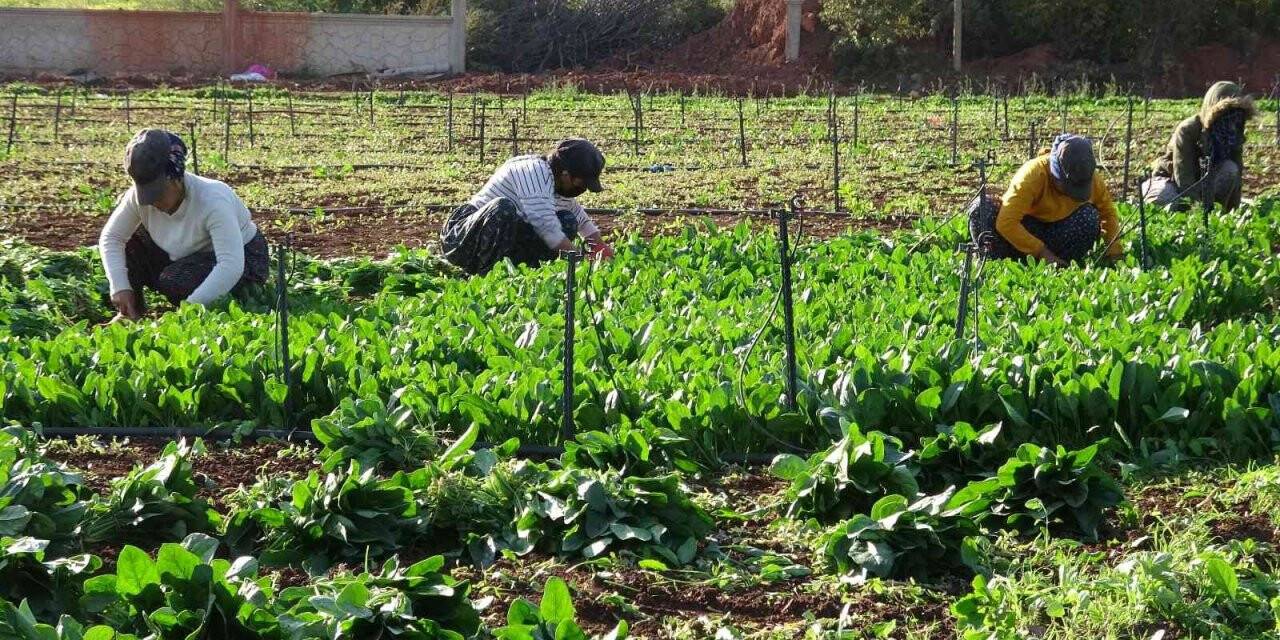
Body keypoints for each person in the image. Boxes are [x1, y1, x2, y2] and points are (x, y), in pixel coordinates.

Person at [99, 129, 268, 321]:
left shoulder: (213, 199)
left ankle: (219, 304)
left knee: (176, 280)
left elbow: (230, 265)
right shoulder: (137, 200)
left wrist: (186, 313)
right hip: (182, 256)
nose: (152, 202)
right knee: (132, 242)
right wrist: (120, 286)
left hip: (242, 259)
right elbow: (112, 238)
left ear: (176, 177)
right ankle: (131, 313)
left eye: (158, 193)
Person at [441, 138, 615, 275]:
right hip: (463, 238)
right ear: (565, 174)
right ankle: (482, 274)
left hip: (504, 238)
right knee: (503, 208)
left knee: (567, 221)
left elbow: (579, 217)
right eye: (581, 182)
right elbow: (547, 227)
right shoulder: (533, 172)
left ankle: (529, 271)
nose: (582, 189)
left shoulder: (558, 183)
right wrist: (581, 260)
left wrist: (600, 247)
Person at [967, 134, 1122, 265]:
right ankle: (999, 264)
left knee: (1089, 217)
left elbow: (1108, 215)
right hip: (1021, 233)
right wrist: (1041, 253)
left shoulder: (1090, 177)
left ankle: (1063, 264)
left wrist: (1114, 252)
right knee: (981, 208)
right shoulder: (1033, 174)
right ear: (1056, 173)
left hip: (1058, 235)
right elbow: (1006, 223)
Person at [1143, 81, 1257, 212]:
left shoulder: (1233, 133)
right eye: (1227, 112)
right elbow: (1183, 175)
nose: (1231, 121)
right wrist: (1197, 211)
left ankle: (1215, 210)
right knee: (1166, 202)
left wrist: (1233, 212)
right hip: (1171, 179)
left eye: (1236, 114)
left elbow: (1236, 177)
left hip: (1205, 182)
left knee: (1230, 169)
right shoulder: (1188, 130)